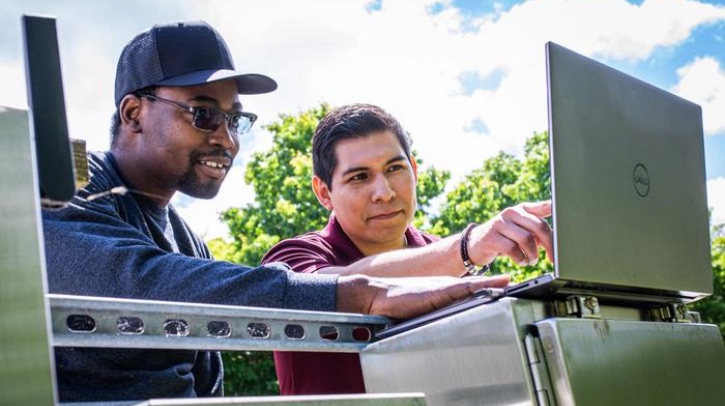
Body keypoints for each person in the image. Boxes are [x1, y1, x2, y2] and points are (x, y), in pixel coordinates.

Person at [42, 21, 509, 402]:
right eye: (204, 114)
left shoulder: (187, 240)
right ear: (132, 113)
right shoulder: (63, 191)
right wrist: (360, 294)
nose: (226, 139)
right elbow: (138, 284)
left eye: (234, 118)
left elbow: (205, 375)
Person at [262, 104, 553, 395]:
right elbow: (343, 289)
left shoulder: (444, 254)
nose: (385, 192)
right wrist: (467, 248)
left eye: (395, 168)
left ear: (414, 169)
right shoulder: (291, 259)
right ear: (324, 192)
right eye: (359, 177)